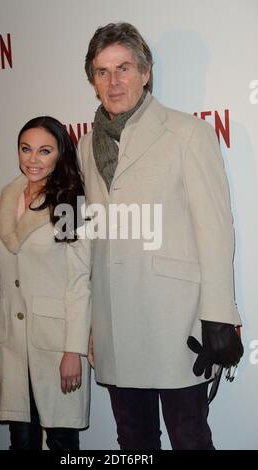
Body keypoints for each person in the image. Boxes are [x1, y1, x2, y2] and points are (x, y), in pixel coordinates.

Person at [79, 23, 243, 450]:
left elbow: (215, 228)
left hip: (175, 320)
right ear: (92, 79)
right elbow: (95, 238)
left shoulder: (188, 133)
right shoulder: (84, 146)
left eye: (124, 68)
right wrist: (94, 323)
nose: (113, 82)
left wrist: (220, 315)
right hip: (116, 318)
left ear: (146, 71)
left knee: (189, 439)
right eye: (102, 71)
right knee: (133, 443)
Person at [0, 116, 91, 450]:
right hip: (11, 341)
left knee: (61, 440)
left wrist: (74, 349)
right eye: (26, 149)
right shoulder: (3, 202)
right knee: (21, 439)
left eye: (44, 151)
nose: (33, 159)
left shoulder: (72, 202)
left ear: (60, 154)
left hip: (55, 341)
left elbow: (80, 281)